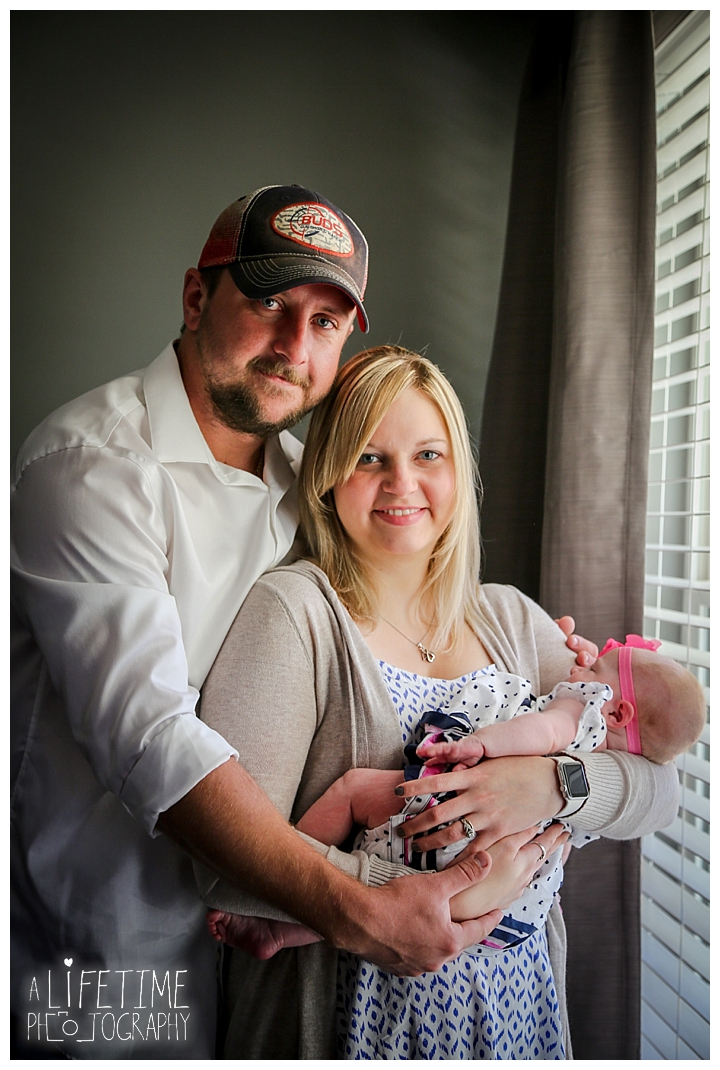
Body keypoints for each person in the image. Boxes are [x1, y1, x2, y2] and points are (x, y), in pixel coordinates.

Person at [11, 186, 517, 1059]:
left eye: (324, 322)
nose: (294, 346)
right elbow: (150, 738)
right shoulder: (91, 465)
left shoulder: (312, 485)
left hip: (268, 949)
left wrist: (547, 682)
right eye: (270, 304)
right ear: (196, 298)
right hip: (106, 945)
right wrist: (358, 907)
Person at [198, 345, 680, 1059]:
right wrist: (419, 893)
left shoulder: (511, 618)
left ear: (458, 470)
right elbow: (228, 861)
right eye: (369, 458)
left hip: (515, 1017)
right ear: (328, 475)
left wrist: (550, 784)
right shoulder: (295, 612)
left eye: (428, 454)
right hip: (348, 1021)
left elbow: (661, 791)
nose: (402, 483)